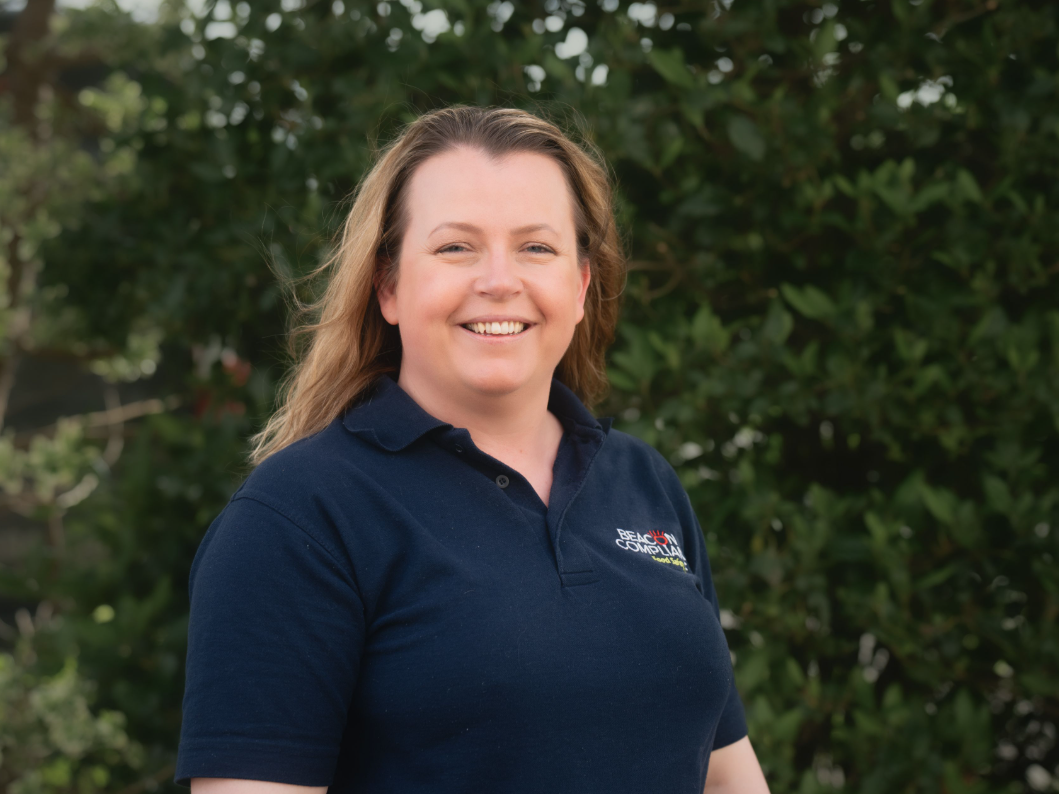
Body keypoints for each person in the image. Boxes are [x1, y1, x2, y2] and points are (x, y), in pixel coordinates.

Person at [175, 105, 770, 794]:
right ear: (388, 286)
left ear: (580, 287)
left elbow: (726, 775)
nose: (497, 280)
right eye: (456, 247)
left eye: (535, 247)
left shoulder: (643, 482)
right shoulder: (298, 519)